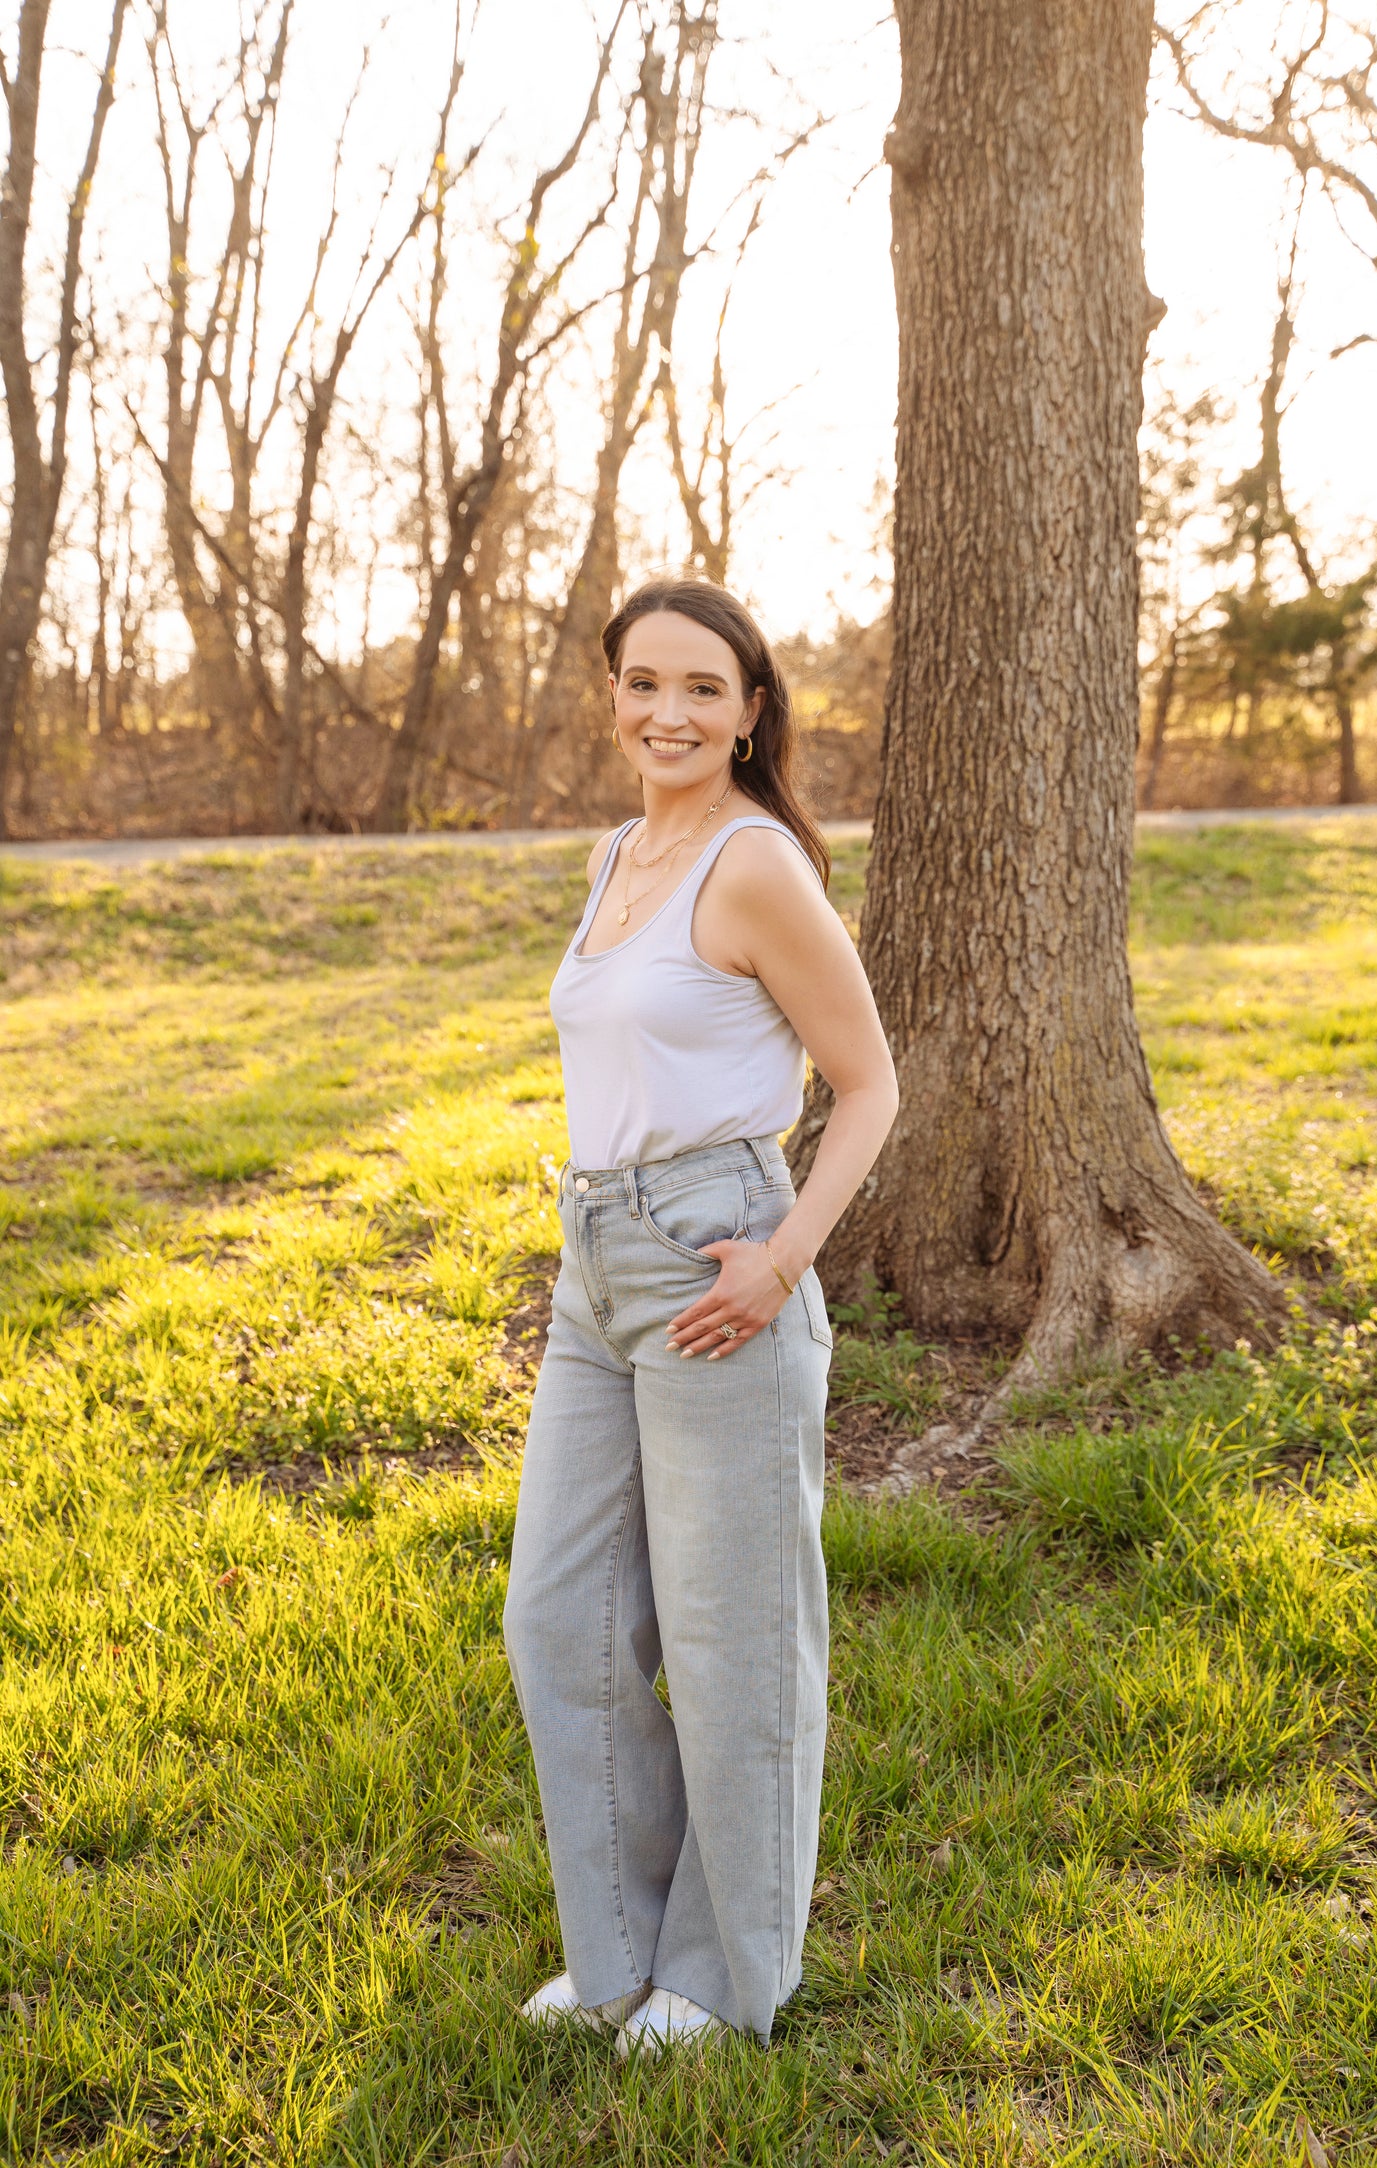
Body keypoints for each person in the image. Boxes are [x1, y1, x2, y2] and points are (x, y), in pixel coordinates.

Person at [502, 575, 898, 2055]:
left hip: (718, 1255)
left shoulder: (752, 865)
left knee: (734, 1639)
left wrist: (781, 1258)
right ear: (612, 693)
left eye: (702, 691)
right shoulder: (619, 851)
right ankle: (614, 1952)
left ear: (747, 714)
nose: (668, 712)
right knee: (560, 1615)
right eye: (643, 683)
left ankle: (724, 1978)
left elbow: (868, 1085)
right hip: (594, 1262)